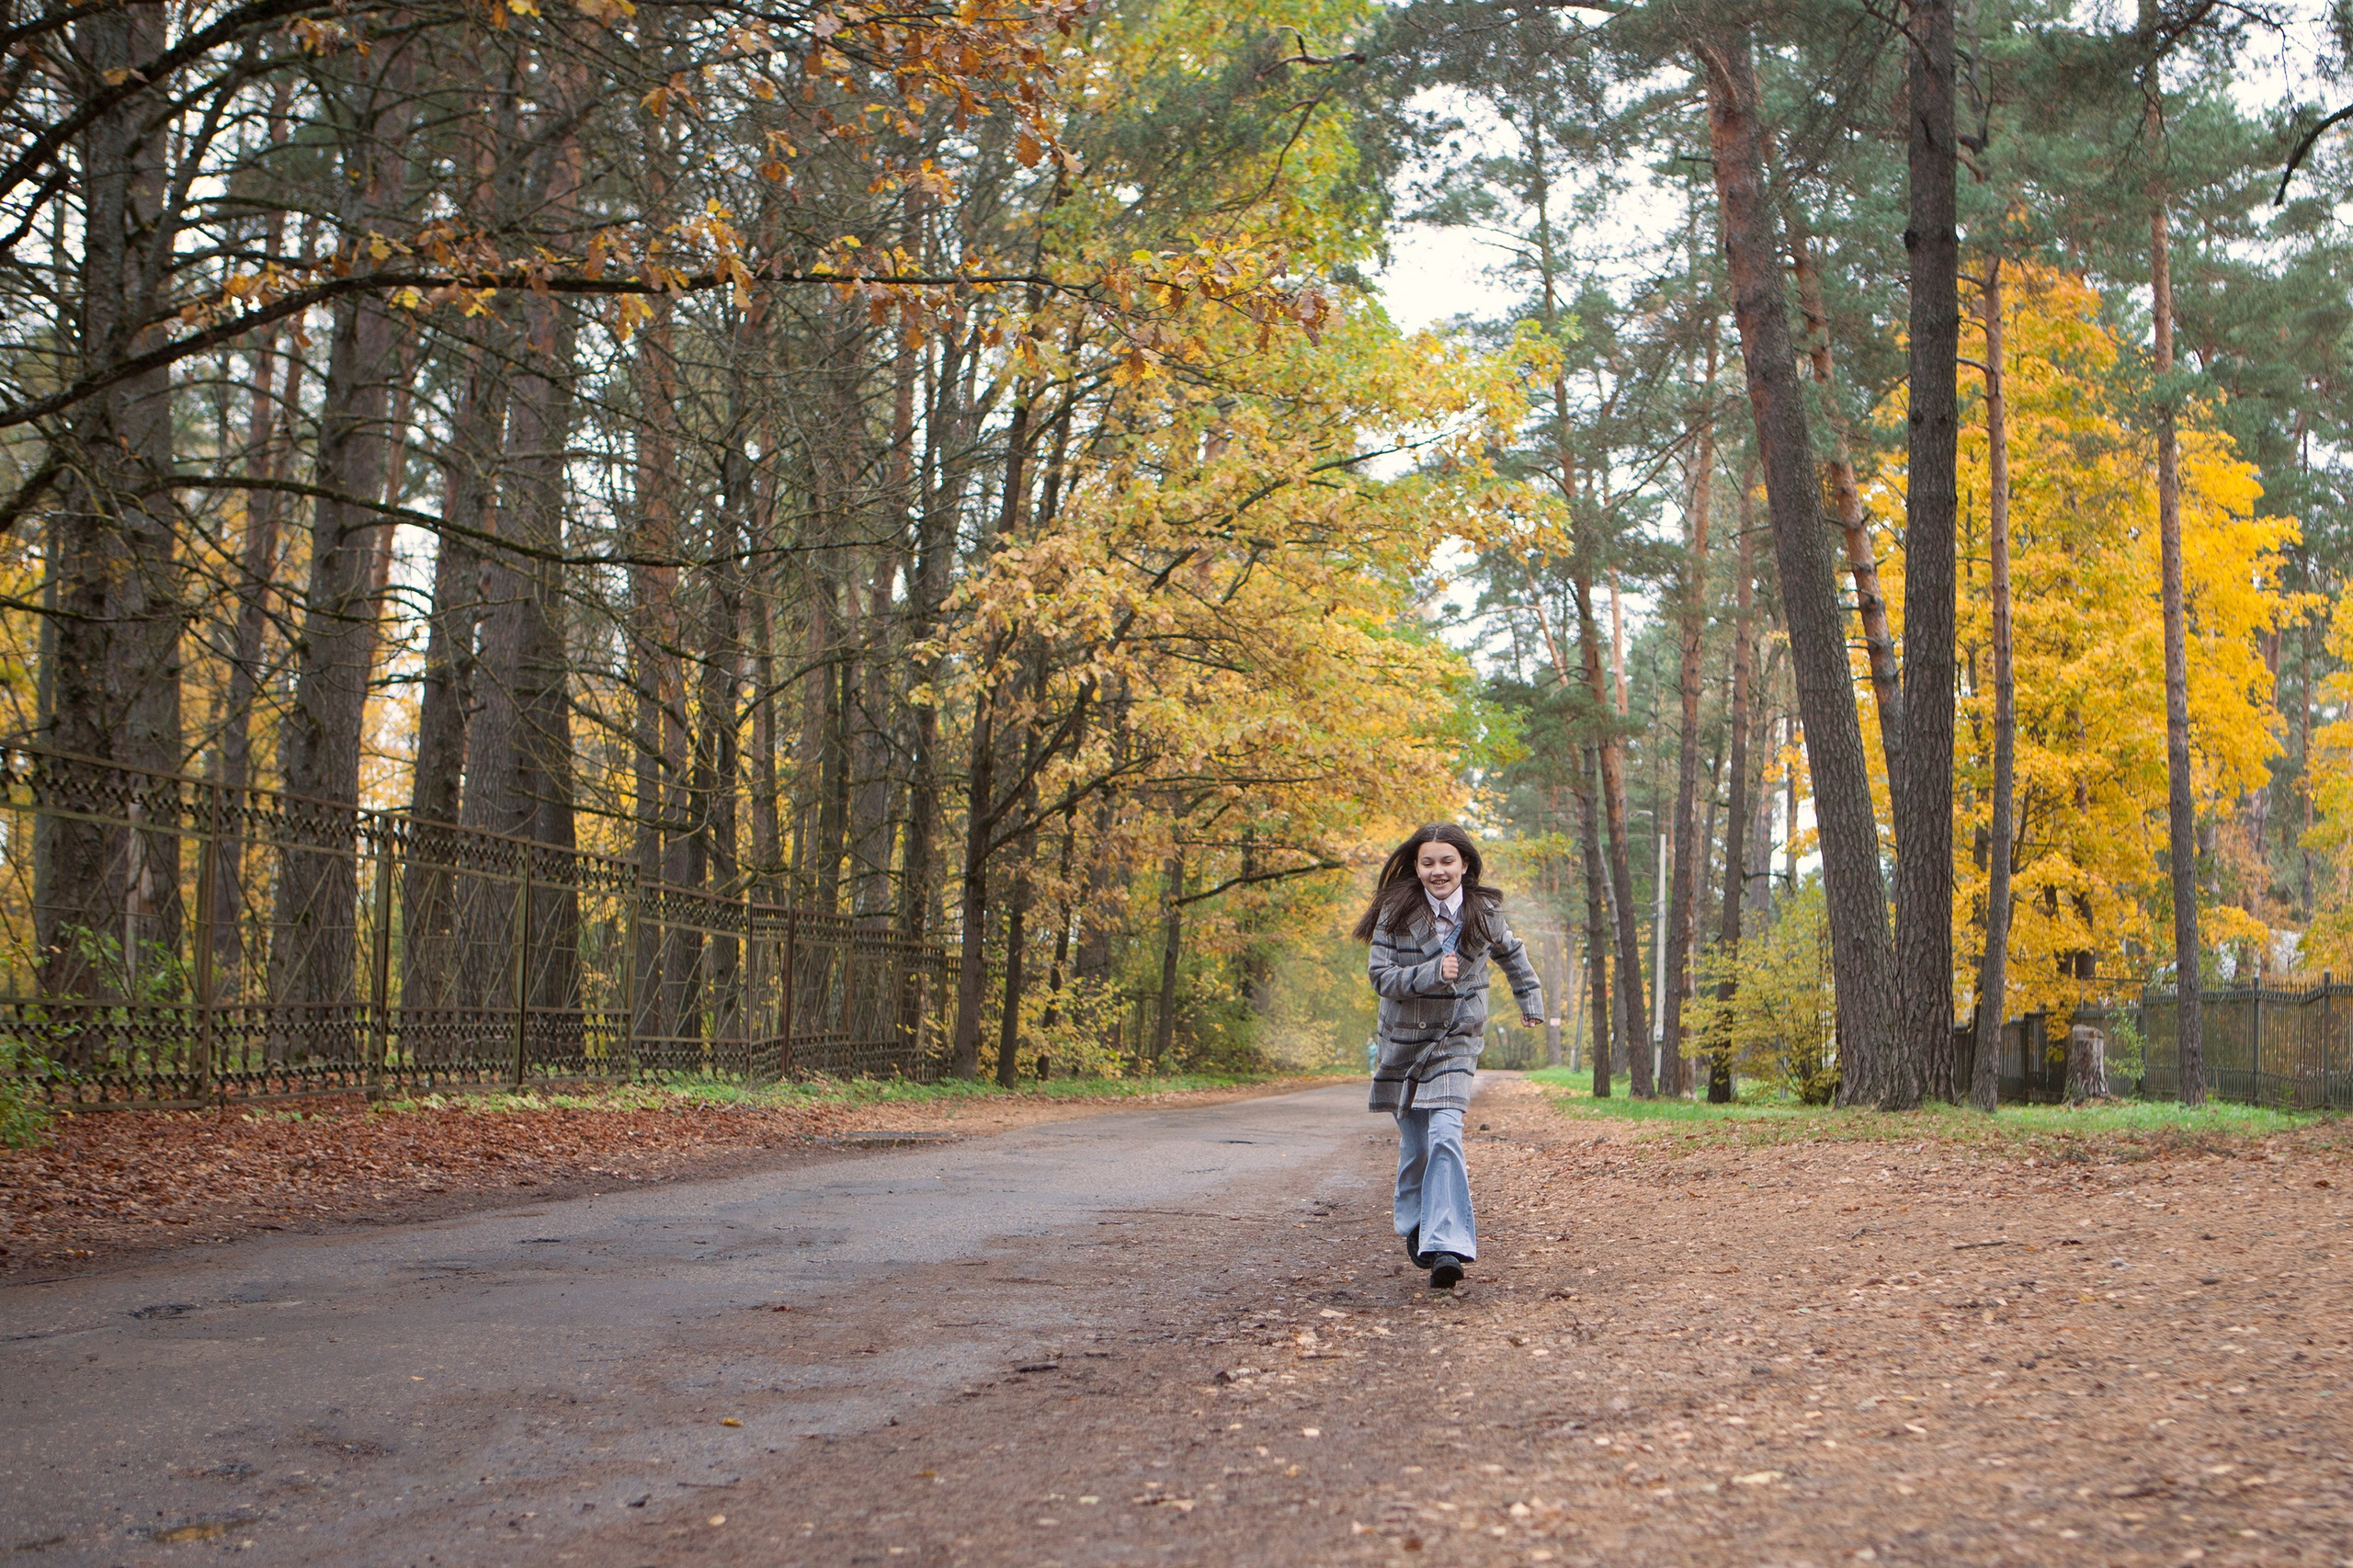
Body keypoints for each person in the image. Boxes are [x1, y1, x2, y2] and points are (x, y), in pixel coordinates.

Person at [1355, 823, 1544, 1290]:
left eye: (1447, 861)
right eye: (1427, 862)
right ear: (1416, 866)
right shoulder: (1394, 911)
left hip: (1457, 1038)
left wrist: (1531, 1001)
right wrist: (1430, 972)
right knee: (1418, 1143)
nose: (1438, 871)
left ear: (1465, 865)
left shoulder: (1483, 912)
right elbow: (1381, 978)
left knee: (1445, 1132)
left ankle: (1447, 1245)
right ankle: (1418, 1223)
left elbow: (1513, 956)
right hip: (1404, 1041)